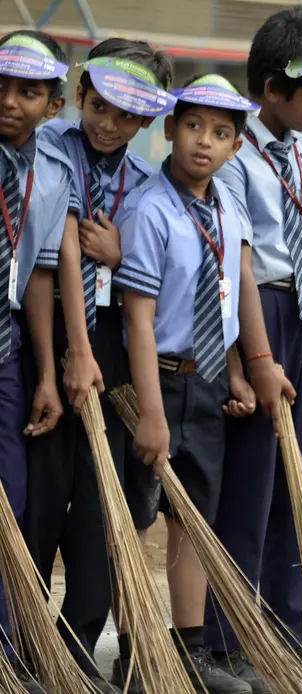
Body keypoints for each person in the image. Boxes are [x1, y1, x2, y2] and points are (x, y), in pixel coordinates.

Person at [204, 7, 302, 689]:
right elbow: (238, 261)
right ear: (271, 89)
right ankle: (228, 639)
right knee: (251, 486)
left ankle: (289, 631)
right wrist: (255, 362)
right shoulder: (237, 153)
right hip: (257, 313)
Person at [24, 37, 173, 688]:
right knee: (37, 498)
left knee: (101, 510)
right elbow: (46, 249)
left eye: (128, 116)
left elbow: (164, 277)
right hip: (42, 337)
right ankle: (23, 640)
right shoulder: (47, 148)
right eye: (101, 107)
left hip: (112, 347)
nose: (110, 125)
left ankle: (75, 651)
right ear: (80, 96)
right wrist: (66, 358)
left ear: (146, 121)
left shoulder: (146, 184)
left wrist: (119, 256)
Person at [113, 73, 259, 693]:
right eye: (193, 127)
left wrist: (235, 371)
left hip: (206, 383)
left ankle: (190, 649)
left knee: (192, 517)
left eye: (221, 133)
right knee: (136, 518)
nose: (204, 142)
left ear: (236, 147)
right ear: (169, 129)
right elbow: (140, 321)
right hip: (156, 383)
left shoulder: (228, 205)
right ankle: (135, 649)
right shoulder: (148, 209)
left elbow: (224, 299)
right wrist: (151, 412)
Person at [0, 30, 74, 693]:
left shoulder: (52, 175)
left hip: (7, 350)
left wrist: (48, 374)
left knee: (13, 503)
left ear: (54, 106)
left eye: (28, 92)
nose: (10, 101)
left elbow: (40, 280)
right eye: (1, 86)